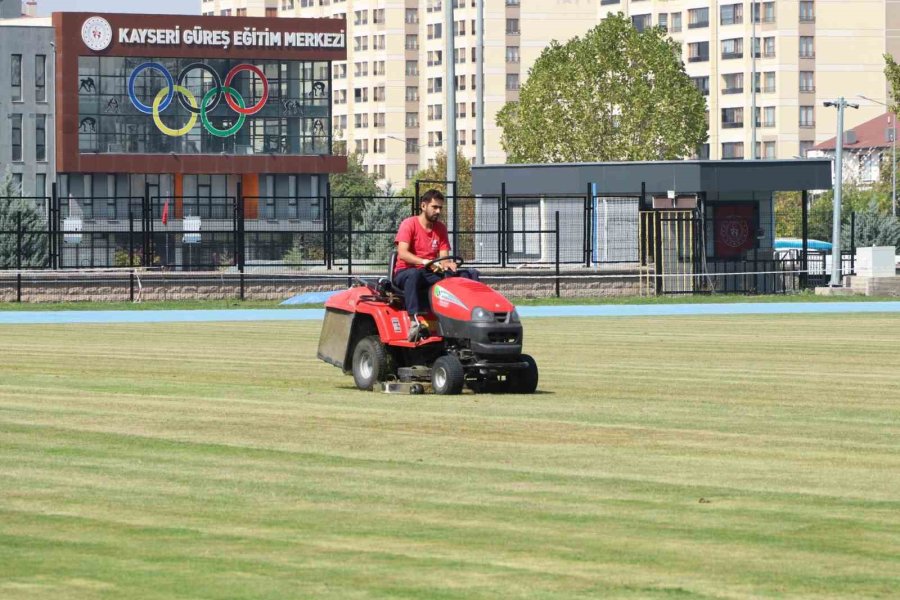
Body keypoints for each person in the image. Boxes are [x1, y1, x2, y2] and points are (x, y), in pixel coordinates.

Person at [394, 189, 478, 341]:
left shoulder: (441, 228)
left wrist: (448, 264)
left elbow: (444, 257)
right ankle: (414, 321)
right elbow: (402, 253)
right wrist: (423, 261)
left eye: (440, 208)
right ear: (423, 206)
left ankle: (472, 316)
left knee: (469, 274)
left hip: (429, 273)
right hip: (406, 272)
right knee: (415, 274)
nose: (438, 211)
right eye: (435, 207)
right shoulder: (409, 224)